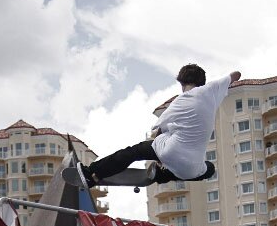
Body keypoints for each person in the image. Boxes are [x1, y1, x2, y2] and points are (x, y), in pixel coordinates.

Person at [78, 64, 241, 187]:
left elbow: (159, 130)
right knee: (210, 169)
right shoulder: (212, 92)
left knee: (132, 152)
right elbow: (237, 74)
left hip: (169, 151)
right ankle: (162, 176)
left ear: (182, 83)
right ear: (201, 82)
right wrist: (224, 81)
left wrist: (159, 157)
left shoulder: (179, 102)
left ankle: (91, 173)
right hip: (191, 169)